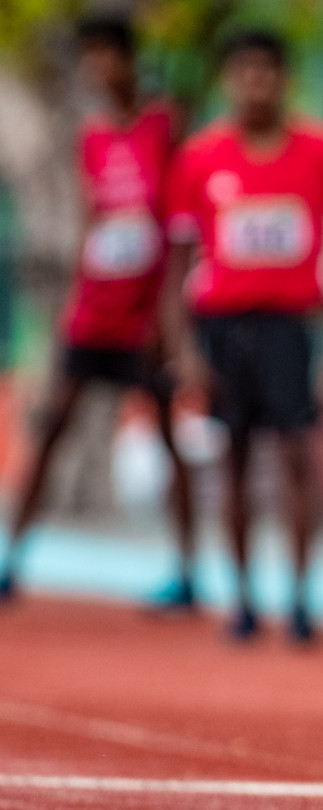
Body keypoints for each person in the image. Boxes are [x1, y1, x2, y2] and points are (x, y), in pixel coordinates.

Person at [163, 30, 323, 643]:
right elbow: (177, 262)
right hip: (223, 326)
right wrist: (184, 348)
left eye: (267, 72)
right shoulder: (200, 158)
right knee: (235, 458)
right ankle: (245, 599)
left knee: (299, 456)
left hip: (291, 326)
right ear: (229, 80)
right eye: (243, 72)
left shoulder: (322, 152)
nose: (256, 84)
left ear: (284, 78)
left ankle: (302, 599)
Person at [0, 15, 196, 606]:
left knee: (167, 436)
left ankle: (188, 571)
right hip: (95, 312)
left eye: (107, 57)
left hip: (147, 316)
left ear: (128, 60)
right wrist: (72, 307)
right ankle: (13, 559)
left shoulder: (164, 127)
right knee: (53, 425)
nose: (97, 70)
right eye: (89, 59)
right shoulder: (92, 136)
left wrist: (168, 318)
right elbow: (96, 222)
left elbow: (177, 223)